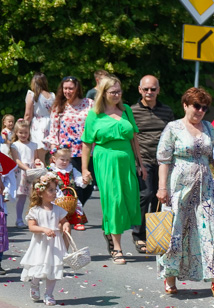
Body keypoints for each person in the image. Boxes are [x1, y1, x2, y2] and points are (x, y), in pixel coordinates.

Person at [156, 88, 214, 296]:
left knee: (210, 230)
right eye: (196, 106)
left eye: (204, 108)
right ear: (186, 105)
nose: (200, 111)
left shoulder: (208, 128)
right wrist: (162, 188)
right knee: (175, 230)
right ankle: (170, 277)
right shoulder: (173, 127)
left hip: (205, 187)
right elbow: (163, 159)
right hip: (178, 186)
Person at [81, 75, 144, 265]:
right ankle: (117, 248)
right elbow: (86, 143)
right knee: (114, 200)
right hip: (105, 160)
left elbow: (134, 138)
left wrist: (140, 163)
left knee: (128, 200)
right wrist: (85, 169)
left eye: (119, 91)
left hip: (127, 160)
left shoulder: (125, 110)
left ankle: (109, 230)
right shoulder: (95, 114)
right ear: (104, 93)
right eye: (113, 92)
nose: (117, 95)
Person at [129, 75, 175, 254]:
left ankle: (155, 234)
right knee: (145, 195)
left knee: (159, 197)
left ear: (158, 90)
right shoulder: (132, 111)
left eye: (153, 89)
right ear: (140, 90)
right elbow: (132, 138)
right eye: (146, 89)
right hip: (144, 160)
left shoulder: (167, 111)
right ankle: (138, 234)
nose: (149, 92)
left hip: (163, 161)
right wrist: (137, 163)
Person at [20, 173, 69, 306]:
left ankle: (49, 294)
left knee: (53, 269)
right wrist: (44, 229)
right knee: (38, 266)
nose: (54, 193)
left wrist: (65, 226)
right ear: (40, 192)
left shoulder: (58, 210)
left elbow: (65, 221)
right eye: (51, 190)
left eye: (55, 189)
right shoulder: (35, 211)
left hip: (55, 244)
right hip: (41, 244)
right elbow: (31, 227)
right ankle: (35, 284)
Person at [46, 76, 94, 205]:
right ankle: (75, 213)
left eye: (71, 89)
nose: (68, 91)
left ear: (77, 89)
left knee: (89, 183)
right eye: (65, 88)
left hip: (87, 150)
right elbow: (53, 130)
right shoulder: (58, 106)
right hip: (67, 152)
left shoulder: (89, 104)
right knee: (74, 184)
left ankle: (76, 210)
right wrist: (53, 152)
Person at [49, 147, 87, 230]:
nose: (65, 162)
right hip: (57, 194)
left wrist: (83, 181)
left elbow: (78, 178)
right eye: (62, 159)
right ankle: (58, 221)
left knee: (76, 205)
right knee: (56, 207)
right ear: (54, 159)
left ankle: (77, 221)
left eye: (67, 160)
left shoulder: (72, 170)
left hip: (70, 194)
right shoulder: (51, 171)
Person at [10, 119, 38, 227]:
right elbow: (16, 160)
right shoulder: (15, 145)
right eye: (20, 132)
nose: (23, 135)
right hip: (21, 172)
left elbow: (35, 158)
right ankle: (19, 219)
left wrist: (37, 162)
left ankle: (34, 219)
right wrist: (27, 169)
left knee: (34, 196)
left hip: (32, 172)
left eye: (26, 132)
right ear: (16, 132)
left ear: (29, 132)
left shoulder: (33, 145)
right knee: (21, 197)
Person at [24, 72, 55, 162]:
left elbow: (28, 115)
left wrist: (24, 127)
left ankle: (43, 175)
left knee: (38, 158)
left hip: (38, 126)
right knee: (48, 157)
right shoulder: (52, 95)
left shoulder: (32, 95)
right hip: (50, 125)